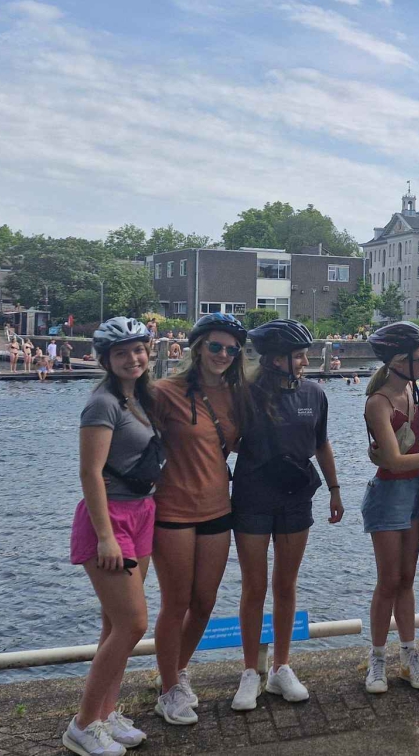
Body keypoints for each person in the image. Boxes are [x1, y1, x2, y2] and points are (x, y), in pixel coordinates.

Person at [230, 319, 343, 712]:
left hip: (296, 497)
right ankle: (250, 671)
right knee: (254, 586)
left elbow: (322, 443)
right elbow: (226, 442)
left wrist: (334, 489)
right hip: (253, 496)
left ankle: (281, 666)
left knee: (286, 584)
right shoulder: (244, 393)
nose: (305, 362)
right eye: (298, 356)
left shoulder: (314, 393)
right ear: (276, 359)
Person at [62, 317, 160, 756]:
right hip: (110, 520)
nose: (132, 358)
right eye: (121, 353)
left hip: (142, 513)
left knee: (114, 625)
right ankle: (83, 725)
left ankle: (105, 713)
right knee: (133, 624)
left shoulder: (140, 397)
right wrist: (105, 537)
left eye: (138, 349)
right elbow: (90, 472)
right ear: (105, 360)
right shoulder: (102, 404)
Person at [148, 313, 249, 726]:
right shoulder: (164, 392)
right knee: (175, 603)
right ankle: (169, 690)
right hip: (172, 509)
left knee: (204, 602)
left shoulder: (237, 395)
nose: (223, 355)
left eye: (231, 349)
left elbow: (244, 443)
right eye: (215, 346)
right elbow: (132, 440)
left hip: (217, 508)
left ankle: (176, 671)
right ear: (198, 348)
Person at [361, 322, 419, 692]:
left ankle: (409, 653)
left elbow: (412, 438)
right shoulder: (378, 403)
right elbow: (395, 461)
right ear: (399, 361)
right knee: (388, 580)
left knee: (407, 578)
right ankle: (377, 658)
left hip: (415, 491)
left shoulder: (413, 392)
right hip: (389, 494)